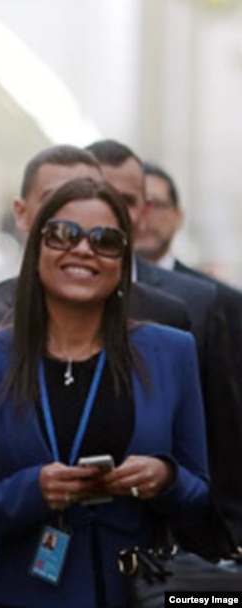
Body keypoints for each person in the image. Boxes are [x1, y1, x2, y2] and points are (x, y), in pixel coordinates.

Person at [0, 145, 191, 606]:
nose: (83, 249)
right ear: (33, 230)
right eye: (63, 232)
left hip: (138, 588)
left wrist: (165, 476)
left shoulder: (169, 345)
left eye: (104, 239)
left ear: (123, 250)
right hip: (19, 585)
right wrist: (31, 491)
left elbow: (204, 484)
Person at [85, 141, 240, 552]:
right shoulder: (11, 309)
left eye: (128, 201)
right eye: (98, 196)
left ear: (144, 211)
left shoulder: (194, 306)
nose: (111, 213)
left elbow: (224, 446)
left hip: (167, 554)